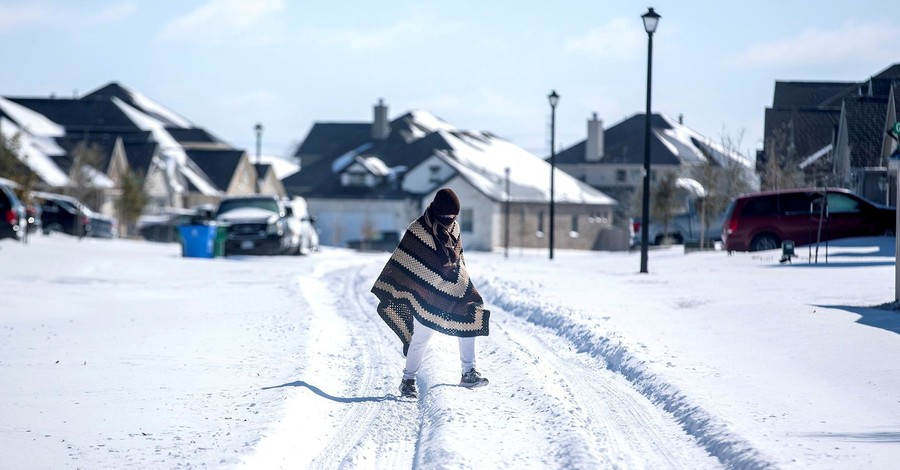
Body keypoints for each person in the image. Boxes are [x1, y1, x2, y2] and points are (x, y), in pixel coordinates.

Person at [371, 188, 490, 398]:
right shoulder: (418, 229)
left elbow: (459, 259)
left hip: (453, 288)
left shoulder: (455, 227)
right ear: (437, 211)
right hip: (425, 293)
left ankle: (468, 372)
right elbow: (405, 261)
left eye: (453, 216)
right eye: (446, 216)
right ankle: (408, 380)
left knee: (470, 317)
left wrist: (461, 281)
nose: (450, 219)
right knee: (421, 338)